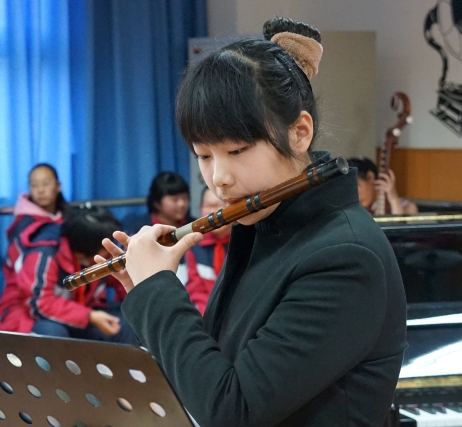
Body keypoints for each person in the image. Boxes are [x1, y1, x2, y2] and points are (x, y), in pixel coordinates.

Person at [98, 17, 407, 426]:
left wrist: (160, 292)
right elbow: (207, 372)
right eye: (204, 155)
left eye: (237, 150)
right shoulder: (262, 227)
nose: (219, 177)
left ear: (299, 133)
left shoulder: (345, 257)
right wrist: (144, 290)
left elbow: (232, 411)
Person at [0, 204, 136, 344]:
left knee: (129, 319)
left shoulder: (96, 254)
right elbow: (39, 304)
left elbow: (119, 282)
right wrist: (89, 316)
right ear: (86, 246)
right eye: (104, 245)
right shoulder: (43, 254)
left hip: (79, 308)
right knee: (54, 334)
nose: (109, 248)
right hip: (29, 316)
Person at [0, 162, 67, 333]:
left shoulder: (65, 219)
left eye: (46, 183)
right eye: (34, 185)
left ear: (58, 186)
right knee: (56, 331)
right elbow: (27, 281)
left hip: (56, 294)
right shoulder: (23, 227)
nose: (40, 190)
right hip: (23, 301)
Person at [183, 187, 230, 314]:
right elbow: (196, 290)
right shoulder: (194, 244)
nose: (213, 212)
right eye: (208, 205)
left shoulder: (247, 241)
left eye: (219, 205)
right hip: (208, 315)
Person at [122, 171, 192, 235]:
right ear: (157, 203)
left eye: (184, 198)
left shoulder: (194, 225)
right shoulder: (140, 230)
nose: (182, 204)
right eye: (174, 200)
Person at [347, 156, 418, 215]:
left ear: (370, 177)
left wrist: (393, 199)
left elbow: (402, 228)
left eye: (355, 186)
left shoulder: (408, 207)